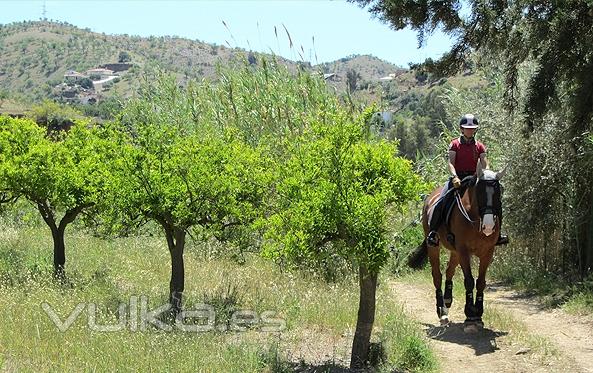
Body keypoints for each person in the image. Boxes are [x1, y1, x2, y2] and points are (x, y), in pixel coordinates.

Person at [426, 113, 509, 246]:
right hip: (458, 178)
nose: (470, 131)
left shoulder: (480, 146)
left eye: (472, 128)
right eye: (467, 128)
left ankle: (497, 234)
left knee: (494, 201)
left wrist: (487, 173)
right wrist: (454, 176)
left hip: (475, 178)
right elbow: (451, 163)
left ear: (475, 130)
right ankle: (433, 233)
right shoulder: (454, 144)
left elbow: (484, 162)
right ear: (461, 129)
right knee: (442, 200)